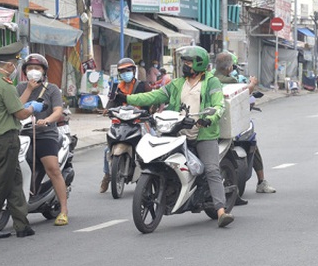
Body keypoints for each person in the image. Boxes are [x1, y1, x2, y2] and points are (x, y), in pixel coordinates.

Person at [121, 46, 234, 227]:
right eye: (184, 62)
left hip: (204, 134)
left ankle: (221, 211)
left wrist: (208, 118)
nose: (185, 65)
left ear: (199, 63)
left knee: (212, 169)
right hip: (178, 132)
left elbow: (218, 105)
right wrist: (127, 99)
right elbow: (155, 96)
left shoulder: (212, 82)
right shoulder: (177, 83)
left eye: (188, 62)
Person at [0, 42, 40, 240]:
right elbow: (20, 113)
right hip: (7, 140)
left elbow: (9, 106)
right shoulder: (5, 86)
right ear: (11, 66)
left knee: (14, 182)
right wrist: (32, 109)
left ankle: (22, 225)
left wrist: (28, 91)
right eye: (15, 66)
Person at [15, 53, 70, 226]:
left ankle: (63, 210)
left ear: (44, 71)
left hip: (46, 134)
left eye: (37, 69)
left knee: (53, 169)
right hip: (23, 134)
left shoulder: (52, 89)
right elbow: (16, 107)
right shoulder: (20, 87)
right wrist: (29, 90)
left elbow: (58, 111)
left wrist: (46, 120)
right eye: (30, 68)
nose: (33, 72)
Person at [214, 52, 276, 199]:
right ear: (230, 67)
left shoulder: (209, 79)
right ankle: (261, 181)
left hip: (212, 123)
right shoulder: (231, 81)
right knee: (252, 142)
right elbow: (242, 96)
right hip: (229, 122)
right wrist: (252, 85)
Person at [99, 57, 151, 193]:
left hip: (139, 122)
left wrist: (151, 111)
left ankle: (150, 177)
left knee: (150, 148)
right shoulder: (116, 87)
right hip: (120, 123)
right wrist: (107, 110)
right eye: (122, 71)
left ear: (134, 71)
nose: (125, 73)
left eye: (128, 70)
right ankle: (107, 175)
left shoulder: (143, 86)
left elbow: (152, 101)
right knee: (107, 151)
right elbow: (111, 102)